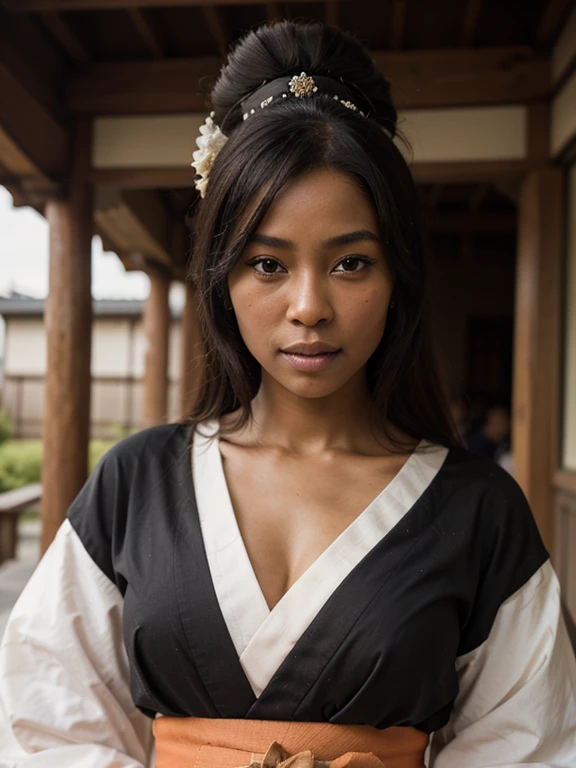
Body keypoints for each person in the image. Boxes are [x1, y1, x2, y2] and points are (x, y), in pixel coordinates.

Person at [1, 19, 576, 768]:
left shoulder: (478, 513)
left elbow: (531, 748)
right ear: (221, 279)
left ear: (398, 277)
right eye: (268, 265)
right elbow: (48, 724)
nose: (309, 306)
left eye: (351, 264)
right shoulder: (134, 484)